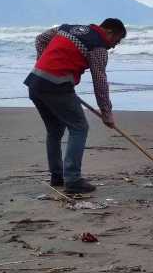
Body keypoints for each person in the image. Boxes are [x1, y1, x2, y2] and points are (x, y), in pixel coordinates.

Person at [24, 19, 126, 193]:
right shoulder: (99, 47)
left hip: (36, 82)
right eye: (116, 41)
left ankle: (57, 176)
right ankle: (73, 179)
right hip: (57, 86)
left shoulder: (68, 28)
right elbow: (100, 81)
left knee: (55, 130)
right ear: (109, 32)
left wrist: (44, 65)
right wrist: (106, 113)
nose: (114, 46)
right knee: (79, 127)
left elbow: (40, 39)